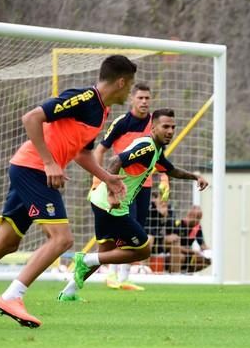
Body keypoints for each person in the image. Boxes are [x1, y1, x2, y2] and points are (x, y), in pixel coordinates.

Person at [0, 55, 136, 327]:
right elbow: (31, 118)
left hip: (30, 169)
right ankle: (12, 296)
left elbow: (81, 155)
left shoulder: (101, 112)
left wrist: (108, 179)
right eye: (130, 86)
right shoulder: (83, 98)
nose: (130, 92)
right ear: (121, 82)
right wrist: (49, 161)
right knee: (62, 239)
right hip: (34, 169)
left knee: (6, 243)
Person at [57, 109, 208, 302]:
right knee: (143, 249)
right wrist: (113, 194)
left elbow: (170, 170)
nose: (170, 131)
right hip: (112, 206)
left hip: (102, 203)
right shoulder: (146, 147)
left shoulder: (156, 148)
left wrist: (195, 177)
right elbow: (115, 161)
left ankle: (67, 293)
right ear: (153, 128)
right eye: (165, 127)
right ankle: (85, 259)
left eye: (173, 127)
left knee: (106, 252)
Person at [92, 82, 167, 291]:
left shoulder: (155, 123)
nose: (144, 102)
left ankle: (124, 277)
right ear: (132, 98)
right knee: (120, 230)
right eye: (140, 97)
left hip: (144, 185)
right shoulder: (121, 122)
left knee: (137, 231)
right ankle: (111, 274)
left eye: (147, 98)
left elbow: (160, 157)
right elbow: (100, 150)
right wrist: (99, 180)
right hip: (120, 185)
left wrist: (164, 179)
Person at [147, 199, 211, 274]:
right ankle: (174, 274)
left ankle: (186, 273)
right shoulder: (179, 224)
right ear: (190, 215)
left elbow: (202, 245)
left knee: (207, 261)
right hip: (171, 253)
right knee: (180, 256)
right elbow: (175, 246)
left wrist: (210, 252)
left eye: (199, 218)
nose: (198, 220)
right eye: (197, 217)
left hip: (188, 254)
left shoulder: (196, 228)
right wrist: (192, 252)